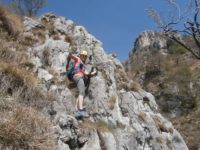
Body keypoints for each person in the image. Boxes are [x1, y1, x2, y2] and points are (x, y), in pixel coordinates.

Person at [66, 50, 97, 118]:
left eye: (85, 56)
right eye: (82, 55)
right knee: (82, 92)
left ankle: (76, 110)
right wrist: (70, 52)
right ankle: (81, 109)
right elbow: (72, 56)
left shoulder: (83, 66)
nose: (83, 57)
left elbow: (87, 74)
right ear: (80, 55)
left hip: (78, 77)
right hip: (78, 77)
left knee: (80, 93)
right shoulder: (78, 59)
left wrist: (94, 73)